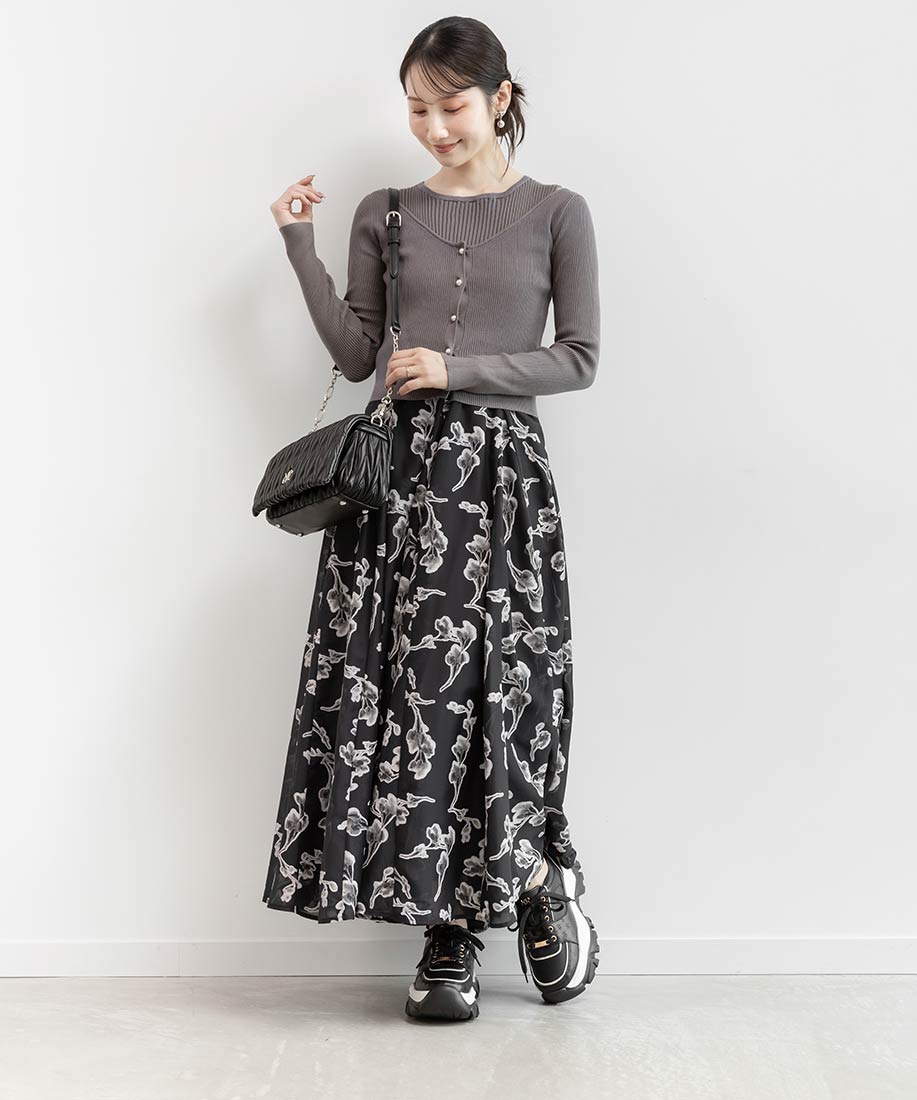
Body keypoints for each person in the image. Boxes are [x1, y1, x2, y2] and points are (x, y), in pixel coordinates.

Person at [261, 15, 601, 1022]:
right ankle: (444, 932)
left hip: (498, 482)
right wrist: (298, 244)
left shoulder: (558, 212)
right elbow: (356, 353)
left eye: (451, 106)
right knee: (412, 702)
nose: (434, 128)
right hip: (395, 482)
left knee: (507, 691)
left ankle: (536, 876)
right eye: (415, 109)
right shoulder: (387, 212)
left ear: (500, 97)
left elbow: (578, 358)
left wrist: (458, 369)